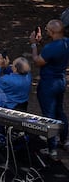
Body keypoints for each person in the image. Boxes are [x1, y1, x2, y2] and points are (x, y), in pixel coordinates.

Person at [30, 19, 69, 160]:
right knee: (60, 111)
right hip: (61, 80)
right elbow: (51, 54)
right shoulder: (66, 42)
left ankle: (52, 148)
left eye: (47, 30)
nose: (45, 31)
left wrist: (34, 44)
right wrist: (41, 44)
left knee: (49, 116)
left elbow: (37, 61)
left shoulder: (50, 48)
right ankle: (65, 140)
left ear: (52, 32)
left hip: (48, 84)